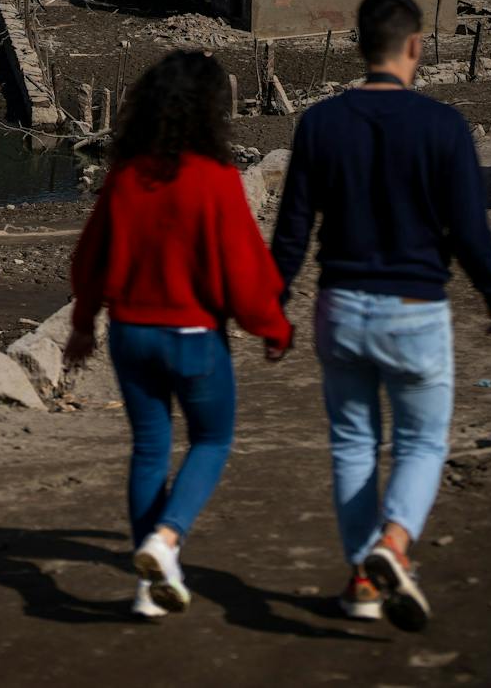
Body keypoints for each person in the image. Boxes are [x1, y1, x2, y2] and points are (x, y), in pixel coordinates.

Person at [271, 0, 491, 633]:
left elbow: (292, 229)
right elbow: (467, 227)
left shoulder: (320, 123)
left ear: (359, 47)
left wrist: (272, 307)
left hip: (340, 308)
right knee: (422, 441)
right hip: (416, 309)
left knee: (353, 445)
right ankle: (395, 543)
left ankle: (361, 580)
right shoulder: (443, 127)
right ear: (415, 46)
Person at [65, 51, 293, 620]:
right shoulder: (215, 181)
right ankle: (167, 538)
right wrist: (272, 326)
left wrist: (80, 326)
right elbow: (244, 271)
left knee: (149, 449)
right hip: (193, 336)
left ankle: (150, 585)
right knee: (211, 440)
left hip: (131, 335)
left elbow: (89, 259)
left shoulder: (124, 177)